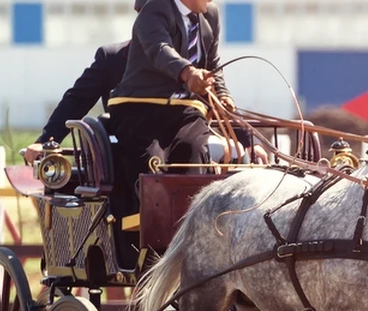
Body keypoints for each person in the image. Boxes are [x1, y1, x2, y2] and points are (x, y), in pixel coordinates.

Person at [108, 0, 235, 197]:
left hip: (186, 111)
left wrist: (223, 94)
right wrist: (188, 73)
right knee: (153, 166)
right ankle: (153, 219)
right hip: (141, 110)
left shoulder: (211, 14)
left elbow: (213, 64)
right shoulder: (154, 9)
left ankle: (190, 219)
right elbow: (160, 49)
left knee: (194, 153)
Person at [22, 0, 147, 164]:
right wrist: (45, 141)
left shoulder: (189, 61)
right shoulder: (112, 58)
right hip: (124, 159)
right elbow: (76, 101)